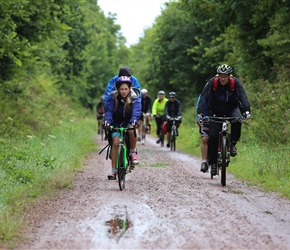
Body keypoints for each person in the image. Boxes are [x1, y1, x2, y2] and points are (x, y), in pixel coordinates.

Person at [197, 64, 251, 175]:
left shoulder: (235, 83)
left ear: (229, 76)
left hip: (232, 108)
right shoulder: (212, 83)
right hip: (215, 110)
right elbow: (204, 97)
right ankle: (213, 163)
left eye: (225, 76)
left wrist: (246, 110)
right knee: (212, 137)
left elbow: (243, 97)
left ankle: (232, 144)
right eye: (221, 76)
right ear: (218, 76)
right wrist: (201, 112)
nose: (223, 79)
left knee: (237, 120)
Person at [104, 76, 141, 180]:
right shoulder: (112, 97)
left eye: (126, 89)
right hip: (116, 123)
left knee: (132, 129)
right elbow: (109, 111)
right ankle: (114, 171)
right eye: (121, 89)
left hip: (129, 122)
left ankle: (132, 152)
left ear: (129, 89)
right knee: (115, 143)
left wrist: (134, 120)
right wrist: (107, 121)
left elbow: (136, 110)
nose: (124, 91)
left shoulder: (134, 97)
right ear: (118, 89)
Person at [196, 94, 209, 172]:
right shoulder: (203, 95)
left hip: (219, 118)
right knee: (204, 138)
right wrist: (199, 119)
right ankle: (204, 161)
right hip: (205, 118)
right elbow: (199, 108)